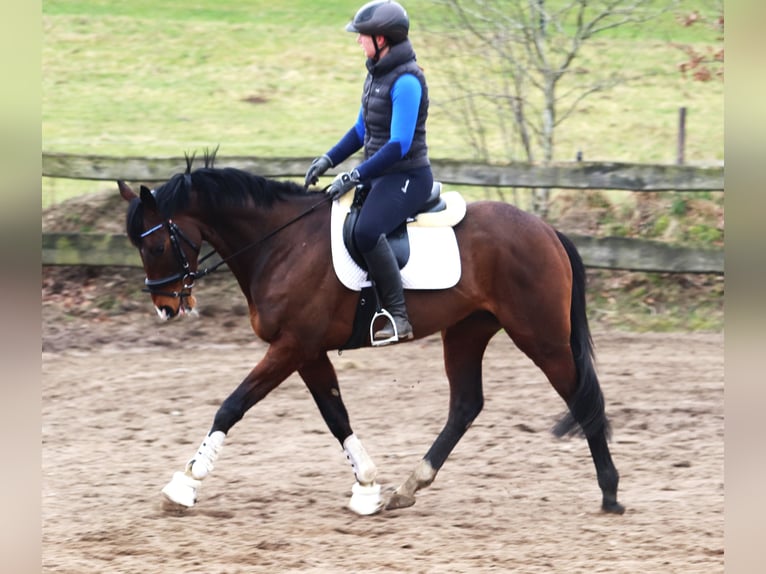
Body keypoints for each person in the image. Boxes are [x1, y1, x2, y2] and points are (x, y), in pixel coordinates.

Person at [304, 0, 433, 343]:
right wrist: (328, 160)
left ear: (383, 39)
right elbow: (362, 131)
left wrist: (355, 175)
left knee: (366, 230)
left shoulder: (407, 81)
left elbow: (398, 145)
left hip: (408, 177)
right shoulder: (375, 74)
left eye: (363, 36)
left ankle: (398, 316)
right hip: (380, 175)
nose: (358, 41)